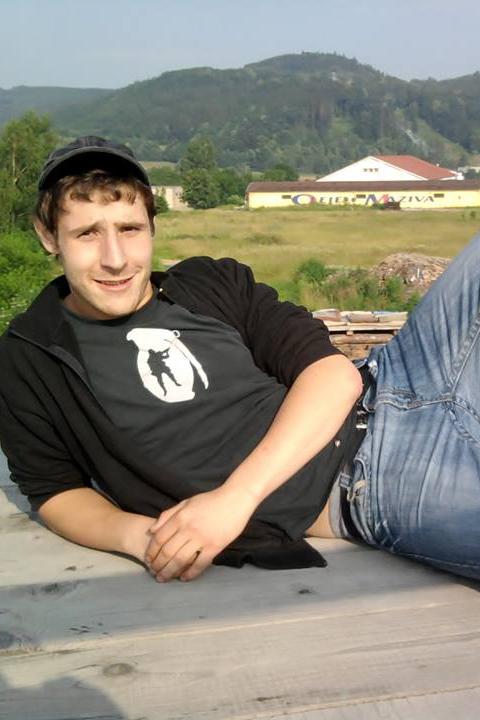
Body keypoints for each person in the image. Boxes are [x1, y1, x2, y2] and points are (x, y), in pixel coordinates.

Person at [1, 137, 479, 585]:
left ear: (151, 227)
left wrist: (236, 499)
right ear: (49, 236)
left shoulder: (208, 284)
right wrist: (143, 538)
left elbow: (333, 375)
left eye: (130, 229)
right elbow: (54, 489)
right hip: (364, 483)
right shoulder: (33, 355)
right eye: (87, 233)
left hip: (401, 376)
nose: (115, 259)